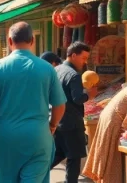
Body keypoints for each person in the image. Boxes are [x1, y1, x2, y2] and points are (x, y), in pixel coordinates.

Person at [0, 22, 67, 183]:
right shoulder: (47, 68)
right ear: (32, 40)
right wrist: (52, 126)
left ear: (9, 42)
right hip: (38, 136)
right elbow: (60, 105)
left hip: (6, 138)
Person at [52, 42, 96, 183]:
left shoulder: (56, 70)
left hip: (57, 120)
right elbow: (77, 99)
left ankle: (32, 175)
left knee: (57, 154)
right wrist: (89, 94)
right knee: (74, 158)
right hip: (72, 123)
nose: (85, 62)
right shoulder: (74, 75)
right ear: (73, 55)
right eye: (83, 58)